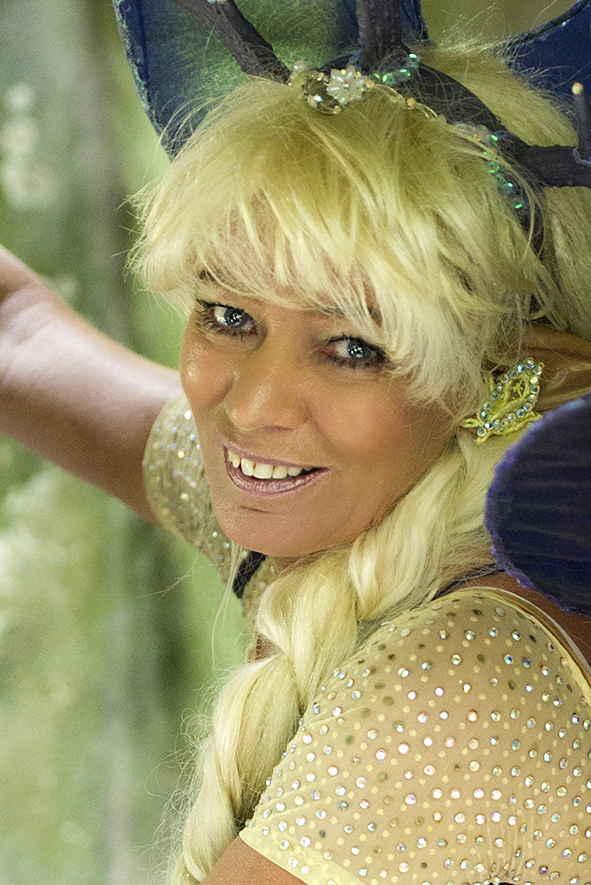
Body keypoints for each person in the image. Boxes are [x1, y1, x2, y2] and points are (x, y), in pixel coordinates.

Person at [2, 3, 591, 885]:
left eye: (354, 347)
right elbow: (18, 337)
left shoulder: (458, 680)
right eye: (228, 315)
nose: (255, 406)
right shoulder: (348, 517)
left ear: (497, 371)